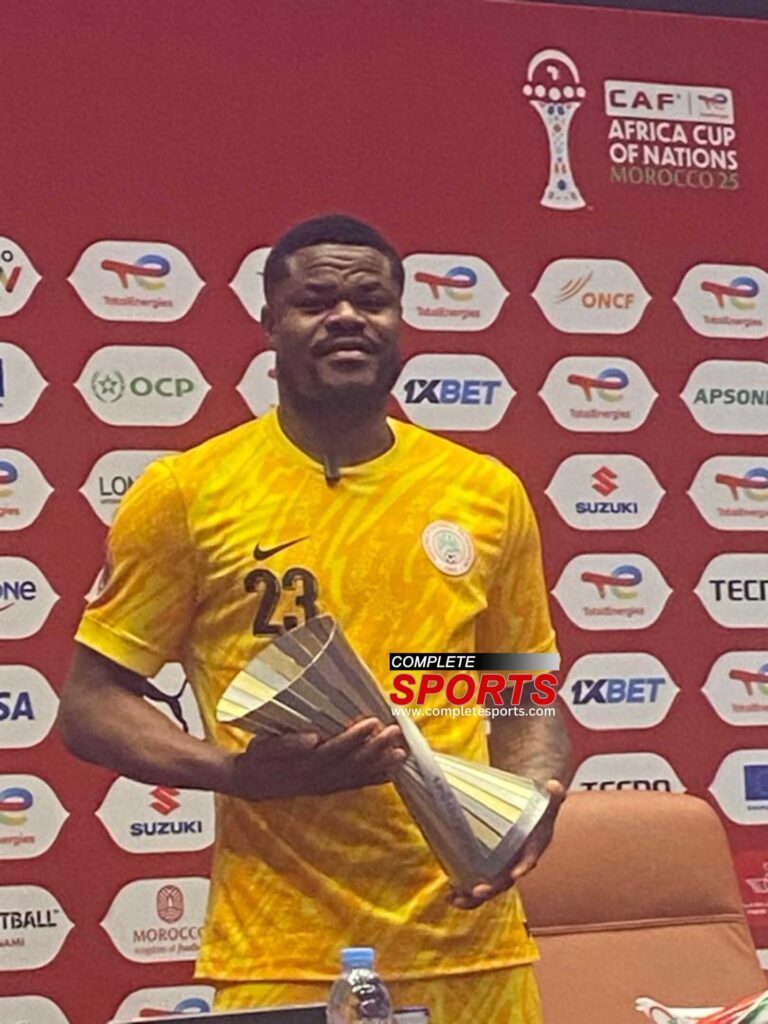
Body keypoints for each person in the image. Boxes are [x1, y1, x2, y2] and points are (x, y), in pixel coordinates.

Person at [58, 214, 572, 1023]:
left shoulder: (484, 491)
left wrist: (530, 802)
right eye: (315, 301)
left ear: (400, 320)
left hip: (473, 945)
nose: (346, 317)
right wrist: (236, 774)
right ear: (269, 322)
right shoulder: (188, 492)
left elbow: (518, 689)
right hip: (284, 950)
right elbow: (90, 705)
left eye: (371, 299)